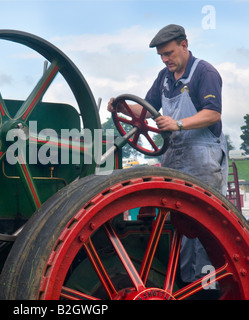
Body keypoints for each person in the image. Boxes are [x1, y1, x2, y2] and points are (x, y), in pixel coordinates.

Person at [108, 24, 228, 285]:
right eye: (161, 55)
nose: (165, 59)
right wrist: (121, 106)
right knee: (180, 226)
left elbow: (213, 113)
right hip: (174, 159)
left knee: (204, 226)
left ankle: (210, 289)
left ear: (184, 45)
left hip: (202, 160)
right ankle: (185, 285)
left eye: (169, 53)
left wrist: (178, 124)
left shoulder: (204, 72)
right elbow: (146, 111)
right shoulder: (164, 76)